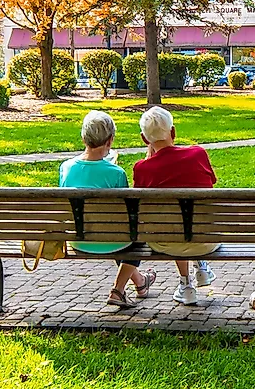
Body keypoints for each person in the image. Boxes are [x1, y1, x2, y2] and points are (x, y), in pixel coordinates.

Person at [59, 110, 154, 309]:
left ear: (83, 137)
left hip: (78, 240)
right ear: (110, 141)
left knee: (111, 230)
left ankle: (140, 282)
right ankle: (118, 290)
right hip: (110, 241)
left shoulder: (66, 168)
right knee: (136, 234)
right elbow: (128, 213)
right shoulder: (116, 173)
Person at [133, 105, 219, 305]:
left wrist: (149, 159)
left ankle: (186, 284)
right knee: (189, 219)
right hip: (206, 240)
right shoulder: (198, 154)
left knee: (172, 224)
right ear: (173, 132)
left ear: (145, 139)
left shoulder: (142, 168)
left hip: (164, 242)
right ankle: (201, 267)